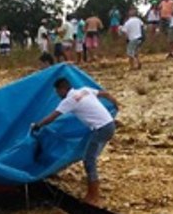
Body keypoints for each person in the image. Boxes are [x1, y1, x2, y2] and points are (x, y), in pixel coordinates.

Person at [30, 77, 120, 205]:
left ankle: (94, 196)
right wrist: (115, 103)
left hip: (101, 129)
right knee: (90, 156)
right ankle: (93, 189)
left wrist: (38, 125)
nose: (57, 95)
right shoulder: (85, 90)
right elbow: (105, 94)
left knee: (89, 159)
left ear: (62, 89)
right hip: (110, 125)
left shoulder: (69, 100)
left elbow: (53, 117)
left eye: (57, 92)